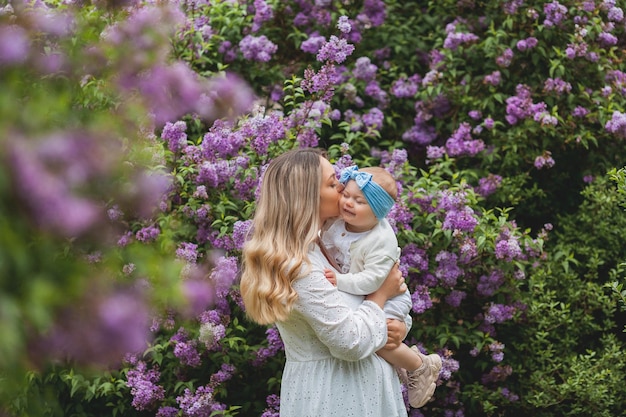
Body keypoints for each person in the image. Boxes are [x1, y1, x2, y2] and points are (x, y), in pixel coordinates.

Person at [240, 148, 410, 417]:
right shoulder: (300, 267)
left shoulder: (327, 246)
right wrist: (380, 295)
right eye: (333, 183)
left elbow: (368, 318)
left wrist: (398, 326)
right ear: (307, 198)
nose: (343, 187)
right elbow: (350, 342)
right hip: (336, 396)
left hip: (361, 393)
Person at [320, 165, 442, 409]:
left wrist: (339, 280)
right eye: (346, 195)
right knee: (373, 335)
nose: (348, 203)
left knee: (379, 337)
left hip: (390, 297)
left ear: (377, 213)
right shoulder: (338, 222)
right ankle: (406, 365)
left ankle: (420, 366)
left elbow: (373, 281)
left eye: (359, 201)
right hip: (367, 295)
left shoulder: (380, 240)